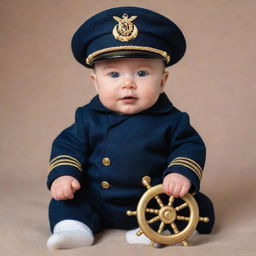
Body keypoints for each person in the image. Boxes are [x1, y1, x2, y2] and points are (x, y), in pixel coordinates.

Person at [46, 6, 215, 250]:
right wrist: (64, 175)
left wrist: (180, 173)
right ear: (95, 83)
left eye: (142, 73)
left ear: (163, 80)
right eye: (113, 74)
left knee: (195, 204)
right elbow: (67, 146)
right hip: (98, 199)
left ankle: (155, 229)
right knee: (65, 202)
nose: (128, 84)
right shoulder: (87, 118)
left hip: (153, 200)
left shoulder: (173, 120)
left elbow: (189, 147)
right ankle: (74, 229)